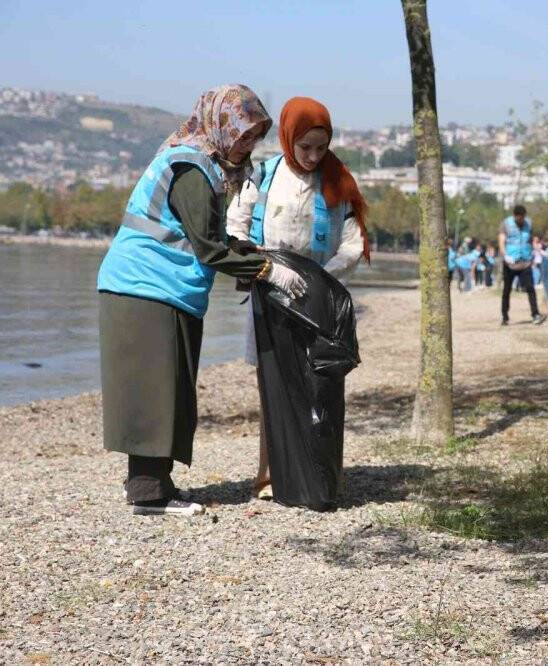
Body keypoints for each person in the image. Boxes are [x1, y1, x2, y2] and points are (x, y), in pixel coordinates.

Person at [97, 85, 303, 517]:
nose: (248, 145)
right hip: (146, 285)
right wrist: (267, 272)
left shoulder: (204, 164)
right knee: (157, 391)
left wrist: (249, 253)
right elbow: (209, 250)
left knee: (168, 388)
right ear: (220, 124)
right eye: (243, 134)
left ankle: (150, 483)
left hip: (164, 288)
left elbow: (208, 239)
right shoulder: (191, 167)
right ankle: (149, 494)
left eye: (254, 137)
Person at [226, 96, 369, 500]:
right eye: (304, 147)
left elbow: (352, 244)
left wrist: (323, 276)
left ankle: (315, 471)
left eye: (320, 148)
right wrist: (266, 268)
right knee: (274, 386)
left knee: (318, 384)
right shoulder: (263, 176)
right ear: (288, 139)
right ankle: (270, 475)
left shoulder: (338, 183)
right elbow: (236, 228)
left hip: (318, 298)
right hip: (271, 292)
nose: (312, 156)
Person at [498, 204, 545, 325]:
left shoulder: (529, 224)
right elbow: (501, 241)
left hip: (525, 262)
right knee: (506, 290)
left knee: (530, 289)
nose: (521, 220)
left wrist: (537, 249)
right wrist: (505, 255)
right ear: (514, 216)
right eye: (518, 218)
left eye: (522, 218)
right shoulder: (506, 224)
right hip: (510, 263)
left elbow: (532, 239)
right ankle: (504, 317)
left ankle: (535, 315)